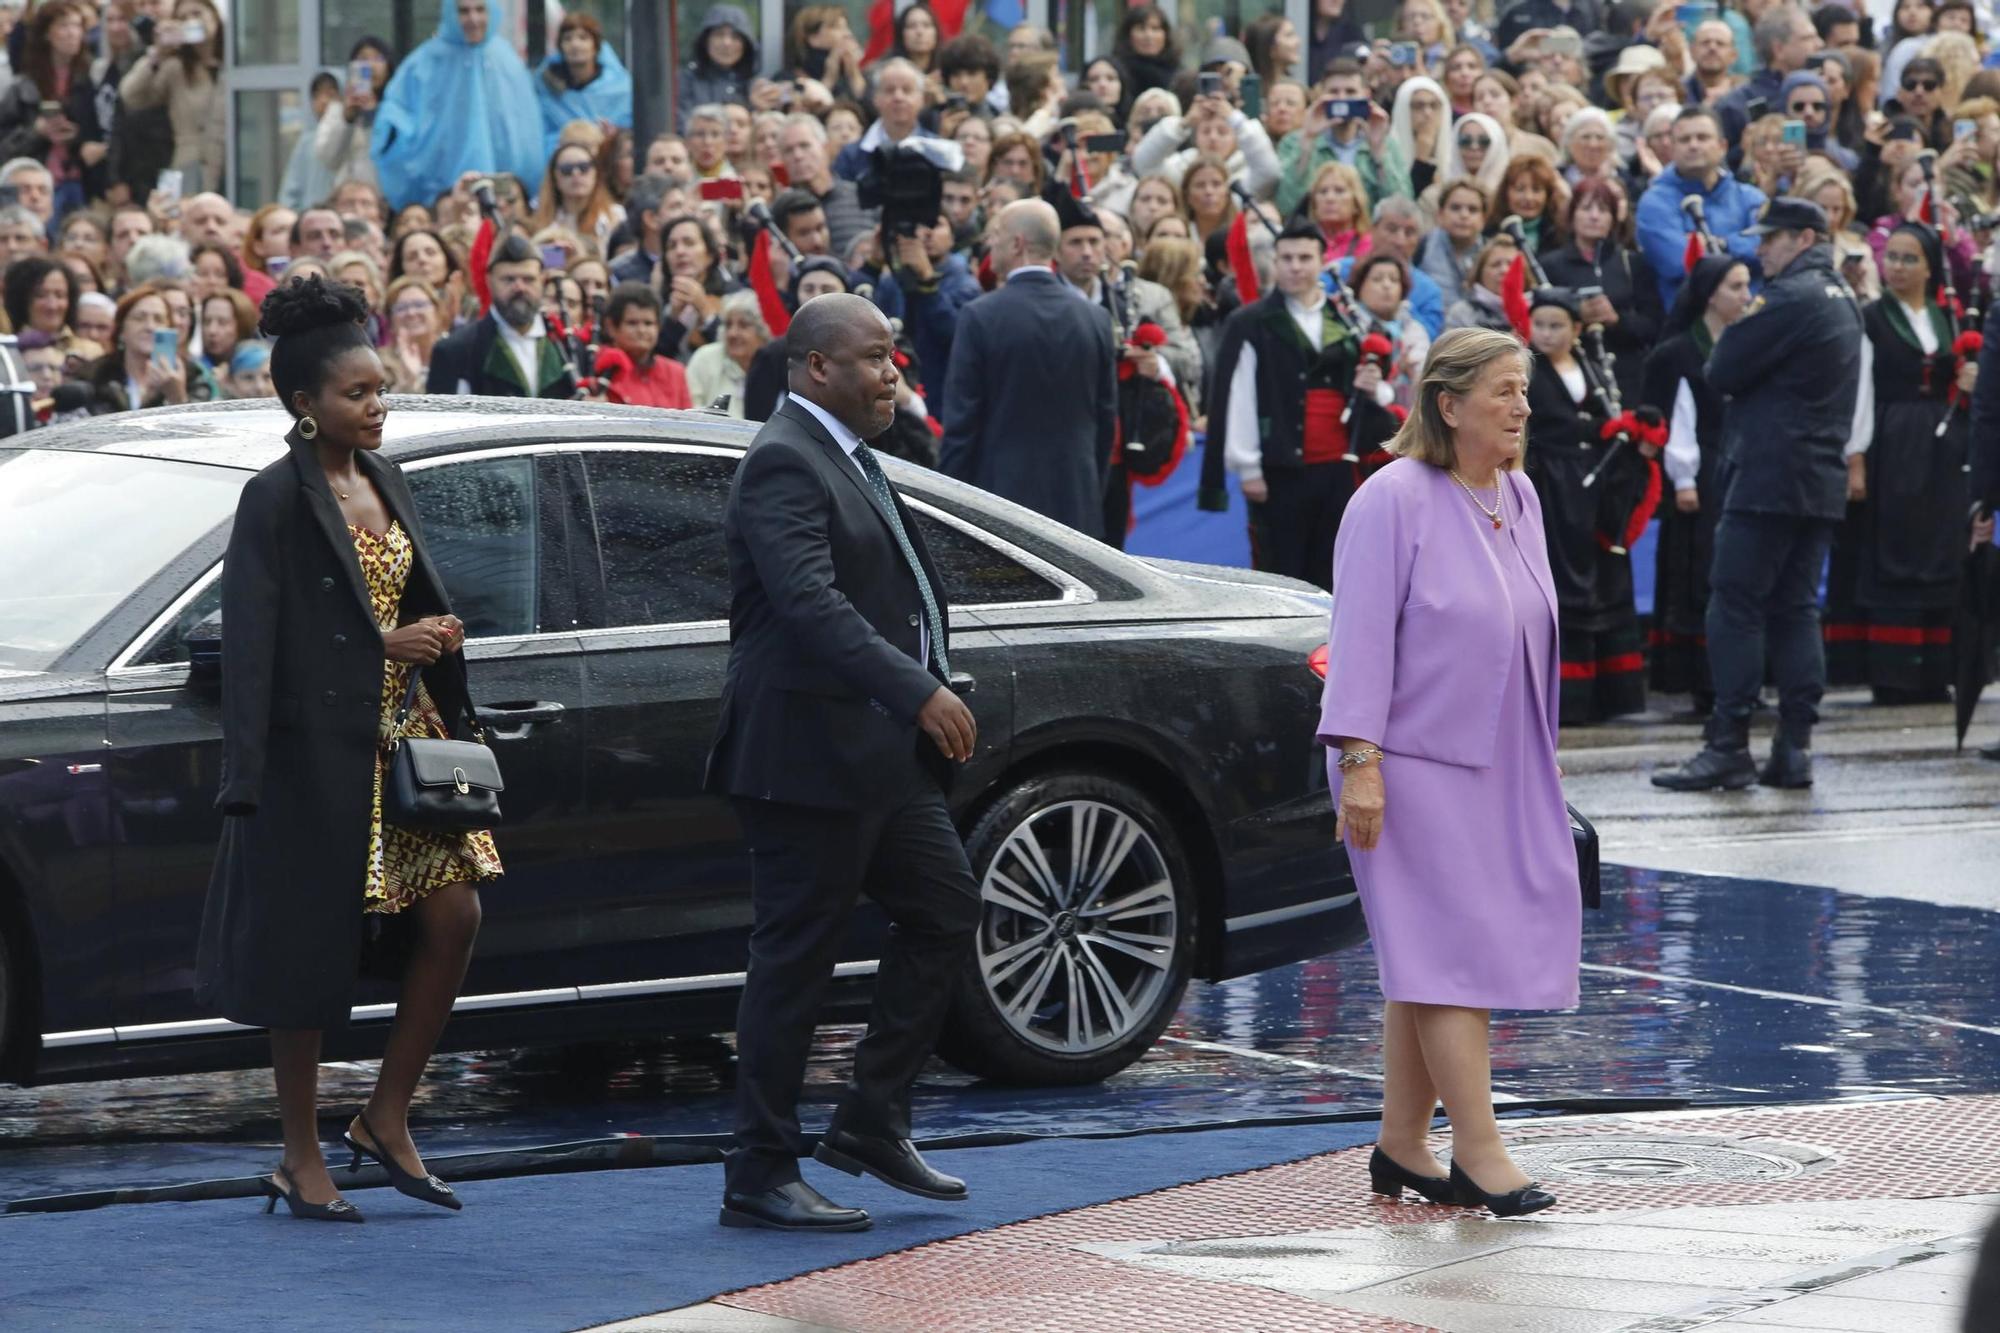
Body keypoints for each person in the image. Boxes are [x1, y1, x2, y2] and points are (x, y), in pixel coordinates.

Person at [196, 274, 498, 1224]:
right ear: (303, 404)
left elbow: (397, 603)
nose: (378, 406)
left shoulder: (385, 478)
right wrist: (250, 773)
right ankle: (299, 1154)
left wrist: (433, 635)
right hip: (311, 757)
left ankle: (385, 1116)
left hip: (403, 742)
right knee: (307, 954)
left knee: (455, 917)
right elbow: (254, 641)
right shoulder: (274, 498)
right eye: (357, 393)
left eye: (381, 388)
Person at [704, 291, 980, 1234]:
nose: (893, 372)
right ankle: (759, 1171)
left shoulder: (851, 452)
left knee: (946, 909)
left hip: (877, 756)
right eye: (875, 358)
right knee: (794, 965)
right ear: (819, 366)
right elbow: (813, 608)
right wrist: (920, 689)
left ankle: (870, 1118)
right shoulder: (784, 458)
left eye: (895, 354)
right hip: (806, 756)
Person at [1318, 327, 1576, 1221]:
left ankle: (1400, 1141)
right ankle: (1480, 1151)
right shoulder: (1390, 498)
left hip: (1501, 760)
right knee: (1453, 955)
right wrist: (1360, 760)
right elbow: (1357, 636)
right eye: (1505, 391)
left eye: (1525, 391)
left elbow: (1525, 631)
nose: (1521, 408)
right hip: (1404, 763)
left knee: (1427, 958)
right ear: (1448, 404)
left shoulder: (1520, 493)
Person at [1655, 198, 1862, 791]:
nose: (1761, 250)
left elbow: (1721, 368)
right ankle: (1793, 745)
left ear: (1802, 237)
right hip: (1817, 474)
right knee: (1795, 609)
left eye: (1770, 239)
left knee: (1736, 605)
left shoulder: (1789, 298)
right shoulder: (1841, 294)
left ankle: (1729, 743)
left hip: (1769, 473)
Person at [1827, 223, 1974, 701]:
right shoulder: (1869, 317)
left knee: (1942, 548)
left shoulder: (1947, 316)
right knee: (1894, 548)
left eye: (1909, 259)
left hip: (1943, 447)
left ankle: (1937, 671)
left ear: (1930, 266)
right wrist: (1856, 458)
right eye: (1890, 257)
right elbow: (1859, 391)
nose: (1897, 268)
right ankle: (1894, 677)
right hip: (1891, 443)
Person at [1200, 220, 1388, 587]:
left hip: (1338, 469)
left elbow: (1373, 393)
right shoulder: (1250, 321)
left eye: (1305, 257)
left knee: (1333, 569)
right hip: (1280, 468)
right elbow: (1238, 395)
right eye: (1286, 257)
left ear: (1322, 261)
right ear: (1275, 261)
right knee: (1281, 571)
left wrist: (1372, 387)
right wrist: (1249, 467)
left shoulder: (1346, 318)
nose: (1295, 265)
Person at [940, 199, 1118, 539]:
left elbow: (962, 425)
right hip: (1077, 501)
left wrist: (948, 506)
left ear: (1017, 243)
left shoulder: (980, 316)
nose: (990, 244)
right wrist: (1091, 488)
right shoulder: (1095, 318)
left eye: (995, 236)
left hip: (997, 505)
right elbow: (1106, 421)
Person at [1521, 286, 1656, 723]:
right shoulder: (1528, 373)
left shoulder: (1594, 367)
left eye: (1556, 325)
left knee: (1606, 577)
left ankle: (1612, 696)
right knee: (1565, 580)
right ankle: (1568, 701)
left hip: (1597, 486)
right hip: (1553, 485)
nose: (1545, 333)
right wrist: (1595, 429)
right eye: (1538, 324)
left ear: (1576, 329)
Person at [1644, 255, 1753, 704]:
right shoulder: (1679, 351)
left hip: (1744, 464)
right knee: (1698, 569)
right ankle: (1702, 679)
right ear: (1711, 294)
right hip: (1701, 471)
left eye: (1748, 286)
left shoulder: (1749, 342)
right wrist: (1683, 478)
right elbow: (1678, 416)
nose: (1746, 296)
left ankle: (1742, 676)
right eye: (1736, 287)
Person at [372, 0, 543, 211]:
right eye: (464, 11)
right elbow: (396, 115)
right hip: (440, 198)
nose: (473, 19)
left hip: (504, 199)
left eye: (480, 10)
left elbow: (527, 131)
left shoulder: (507, 61)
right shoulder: (425, 62)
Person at [1539, 179, 1662, 407]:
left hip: (1626, 377)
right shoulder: (1550, 265)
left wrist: (1616, 320)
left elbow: (1654, 326)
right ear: (1572, 215)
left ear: (1614, 219)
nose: (1594, 216)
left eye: (1603, 210)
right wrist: (1574, 316)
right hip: (1571, 375)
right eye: (1586, 208)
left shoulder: (1633, 264)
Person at [1636, 107, 1769, 307]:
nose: (1694, 145)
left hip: (1753, 315)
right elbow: (1678, 263)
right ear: (1672, 149)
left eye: (1702, 137)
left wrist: (1724, 244)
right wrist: (1741, 245)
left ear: (1722, 146)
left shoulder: (1750, 197)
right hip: (1692, 322)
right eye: (1685, 139)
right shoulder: (1654, 202)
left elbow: (1768, 249)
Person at [426, 234, 580, 398]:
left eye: (528, 279)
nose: (519, 288)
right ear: (489, 281)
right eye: (509, 279)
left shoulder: (569, 345)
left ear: (542, 280)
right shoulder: (455, 350)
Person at [0, 1, 108, 216]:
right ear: (47, 33)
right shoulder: (24, 85)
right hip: (36, 183)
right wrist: (37, 131)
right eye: (64, 26)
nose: (72, 33)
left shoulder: (89, 80)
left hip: (79, 181)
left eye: (77, 26)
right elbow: (4, 144)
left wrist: (77, 137)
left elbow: (99, 131)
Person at [118, 0, 226, 193]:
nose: (191, 21)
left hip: (233, 163)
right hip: (192, 164)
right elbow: (131, 95)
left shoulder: (235, 62)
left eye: (197, 14)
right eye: (183, 18)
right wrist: (158, 53)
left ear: (214, 16)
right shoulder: (176, 67)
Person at [535, 12, 632, 156]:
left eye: (583, 38)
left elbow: (628, 134)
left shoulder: (620, 87)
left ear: (596, 46)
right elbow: (539, 134)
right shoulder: (545, 87)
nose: (575, 44)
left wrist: (612, 135)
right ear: (560, 47)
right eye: (568, 38)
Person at [589, 282, 692, 408]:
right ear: (611, 327)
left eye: (648, 323)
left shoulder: (676, 373)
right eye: (632, 323)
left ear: (658, 327)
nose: (642, 330)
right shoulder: (597, 366)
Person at [315, 37, 395, 194]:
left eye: (378, 58)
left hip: (385, 197)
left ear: (389, 66)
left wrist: (373, 116)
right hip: (348, 198)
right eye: (363, 59)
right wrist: (347, 119)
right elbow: (328, 158)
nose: (371, 65)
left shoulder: (397, 109)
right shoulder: (337, 110)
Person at [685, 290, 766, 415]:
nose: (732, 333)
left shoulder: (774, 365)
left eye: (743, 325)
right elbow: (689, 410)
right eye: (728, 325)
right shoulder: (705, 358)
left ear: (763, 331)